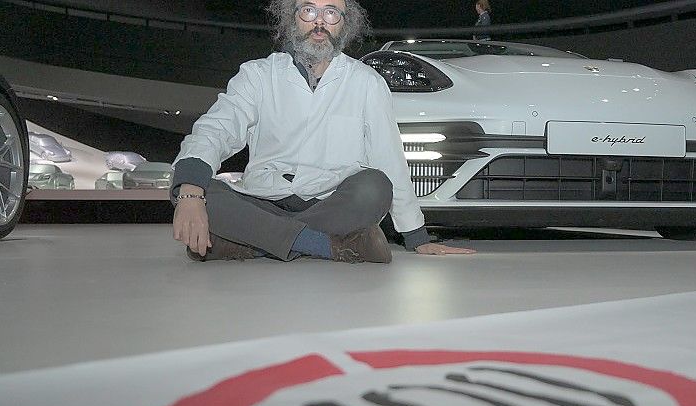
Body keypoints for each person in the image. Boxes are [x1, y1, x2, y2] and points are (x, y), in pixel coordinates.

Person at [171, 0, 476, 263]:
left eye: (331, 12)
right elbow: (217, 128)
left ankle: (252, 243)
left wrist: (416, 235)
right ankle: (326, 246)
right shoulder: (257, 75)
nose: (319, 21)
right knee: (196, 186)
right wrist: (190, 194)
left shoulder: (366, 82)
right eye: (308, 10)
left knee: (375, 186)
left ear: (344, 24)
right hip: (263, 199)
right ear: (292, 18)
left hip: (330, 203)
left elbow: (388, 157)